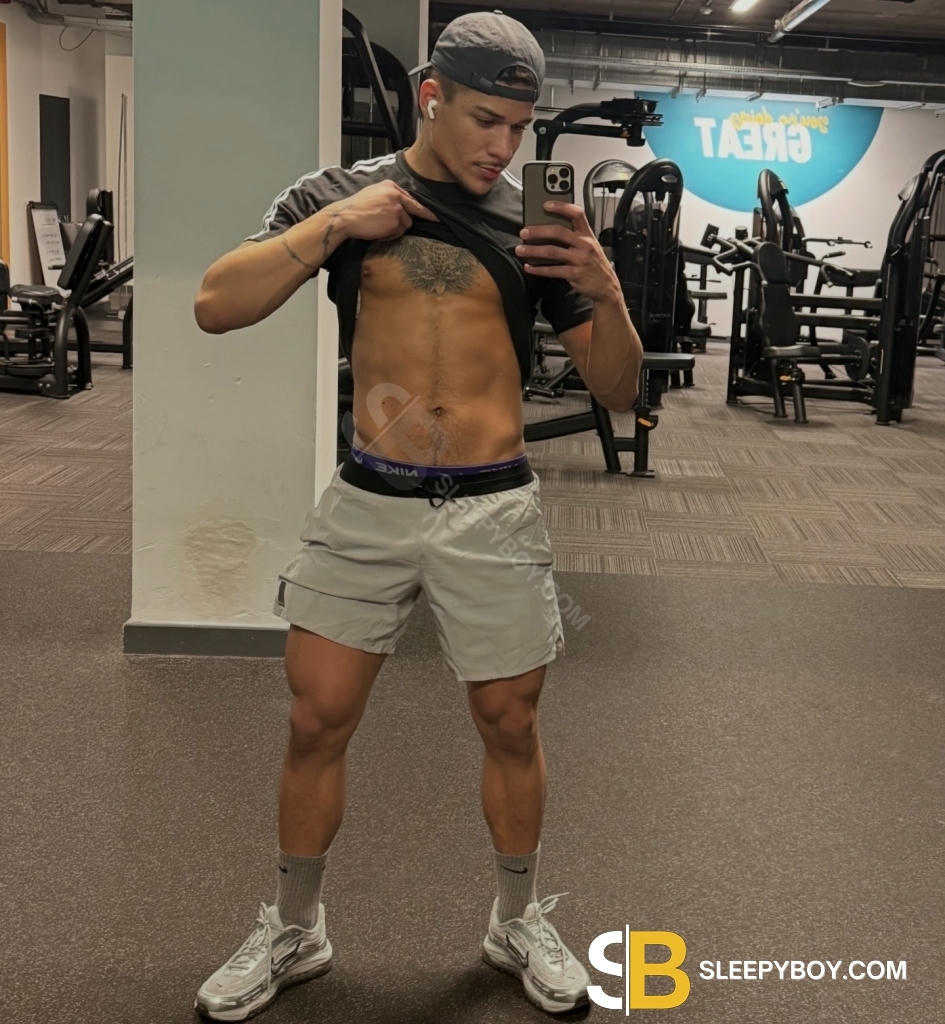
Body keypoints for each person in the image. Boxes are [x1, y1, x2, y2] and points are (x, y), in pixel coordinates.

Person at [192, 9, 643, 1020]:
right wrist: (332, 231)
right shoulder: (337, 196)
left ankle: (515, 920)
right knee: (316, 718)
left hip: (492, 507)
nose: (503, 147)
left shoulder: (538, 226)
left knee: (510, 723)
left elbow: (618, 391)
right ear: (430, 97)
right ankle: (296, 928)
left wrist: (605, 287)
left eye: (519, 129)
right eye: (485, 120)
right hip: (369, 502)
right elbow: (216, 304)